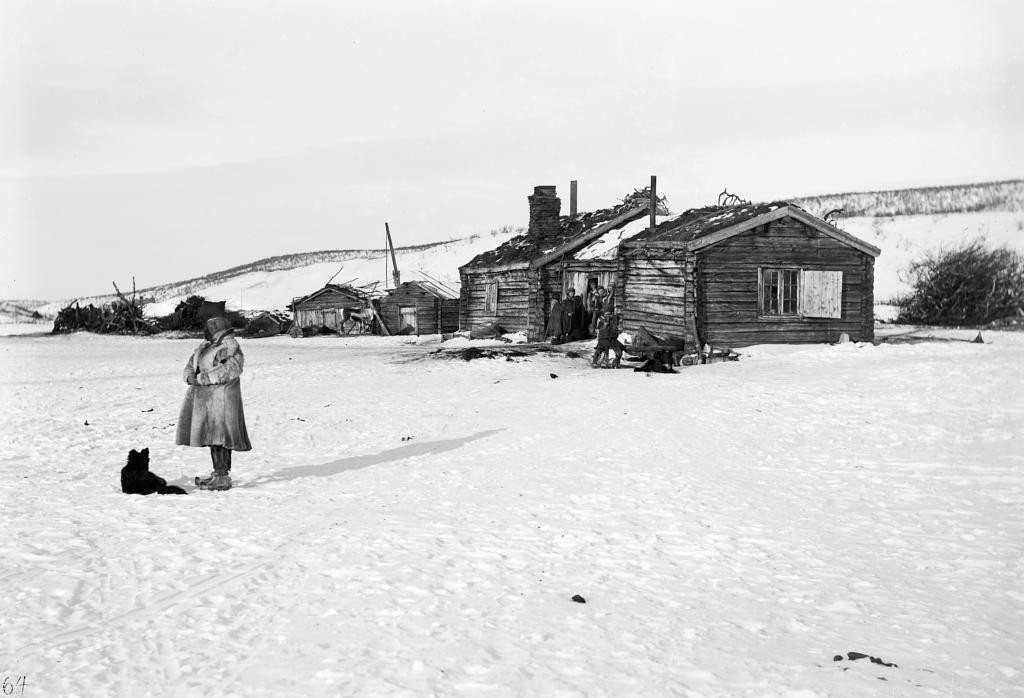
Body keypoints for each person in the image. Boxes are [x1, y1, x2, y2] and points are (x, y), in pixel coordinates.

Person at [176, 315, 252, 491]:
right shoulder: (205, 346)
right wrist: (189, 376)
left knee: (221, 436)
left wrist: (202, 378)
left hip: (222, 399)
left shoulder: (230, 347)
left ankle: (222, 476)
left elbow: (230, 369)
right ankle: (218, 473)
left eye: (211, 326)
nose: (207, 328)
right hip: (205, 398)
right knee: (212, 437)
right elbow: (191, 364)